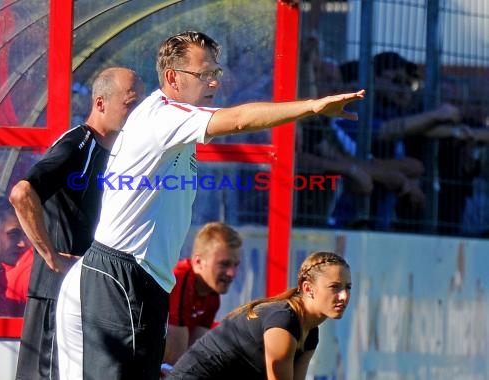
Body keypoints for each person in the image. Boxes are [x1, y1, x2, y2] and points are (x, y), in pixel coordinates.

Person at [56, 30, 364, 380]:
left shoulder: (173, 120)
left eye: (216, 73)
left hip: (141, 279)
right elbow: (240, 119)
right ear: (172, 77)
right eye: (204, 75)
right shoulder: (164, 116)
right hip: (117, 277)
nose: (214, 83)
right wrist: (311, 107)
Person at [8, 67, 144, 380]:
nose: (136, 114)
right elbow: (22, 194)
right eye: (130, 104)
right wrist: (51, 256)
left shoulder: (117, 154)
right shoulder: (79, 144)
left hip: (86, 293)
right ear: (100, 103)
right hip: (55, 293)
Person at [167, 251, 351, 380]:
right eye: (335, 287)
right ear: (308, 288)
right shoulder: (284, 321)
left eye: (348, 287)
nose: (344, 296)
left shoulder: (311, 333)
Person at [163, 222, 242, 367]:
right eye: (224, 264)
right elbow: (176, 358)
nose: (232, 273)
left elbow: (196, 353)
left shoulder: (212, 294)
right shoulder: (180, 280)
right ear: (198, 262)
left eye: (236, 265)